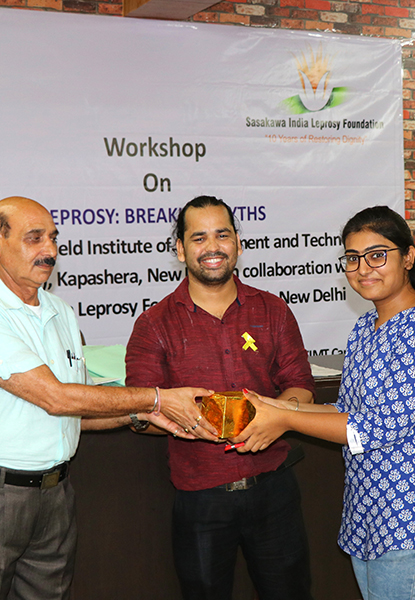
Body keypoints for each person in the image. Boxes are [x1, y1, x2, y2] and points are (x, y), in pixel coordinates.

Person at [0, 196, 217, 600]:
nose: (49, 250)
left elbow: (76, 412)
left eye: (53, 238)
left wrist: (141, 415)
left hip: (55, 494)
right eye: (34, 238)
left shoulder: (61, 312)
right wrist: (157, 399)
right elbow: (55, 398)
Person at [233, 205, 415, 600]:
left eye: (377, 255)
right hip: (370, 514)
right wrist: (276, 407)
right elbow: (344, 412)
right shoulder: (365, 326)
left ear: (408, 257)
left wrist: (284, 420)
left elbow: (375, 428)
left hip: (414, 516)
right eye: (352, 258)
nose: (363, 269)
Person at [125, 195, 316, 600]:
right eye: (199, 238)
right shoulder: (153, 324)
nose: (212, 247)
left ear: (238, 244)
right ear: (180, 249)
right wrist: (181, 421)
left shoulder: (273, 310)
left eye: (222, 235)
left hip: (274, 488)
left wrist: (277, 418)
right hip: (201, 499)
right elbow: (140, 409)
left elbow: (301, 385)